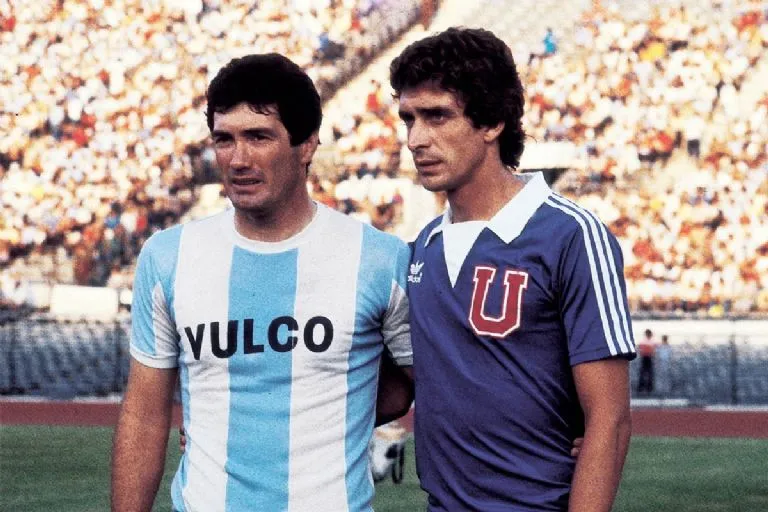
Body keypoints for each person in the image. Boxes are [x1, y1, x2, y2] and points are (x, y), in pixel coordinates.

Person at [111, 53, 414, 512]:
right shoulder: (168, 256)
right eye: (224, 139)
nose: (238, 159)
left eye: (258, 137)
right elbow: (145, 416)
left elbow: (430, 382)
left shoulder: (378, 258)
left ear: (307, 145)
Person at [390, 27, 636, 511]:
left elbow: (608, 418)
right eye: (408, 119)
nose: (417, 138)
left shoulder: (571, 235)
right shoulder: (419, 249)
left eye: (437, 116)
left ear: (493, 121)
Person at [637, 328, 657, 393]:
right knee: (649, 373)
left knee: (643, 373)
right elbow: (653, 351)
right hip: (648, 357)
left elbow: (640, 350)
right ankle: (648, 388)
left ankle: (641, 387)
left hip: (645, 357)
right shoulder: (651, 342)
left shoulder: (643, 341)